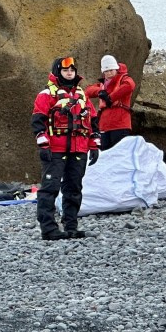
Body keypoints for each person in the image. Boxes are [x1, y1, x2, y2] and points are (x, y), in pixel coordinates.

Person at [31, 56, 100, 240]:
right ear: (57, 72)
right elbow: (38, 121)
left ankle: (71, 226)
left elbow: (92, 121)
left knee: (74, 188)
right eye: (65, 70)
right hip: (55, 150)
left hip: (79, 149)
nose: (69, 73)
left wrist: (94, 145)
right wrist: (43, 144)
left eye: (72, 70)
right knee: (50, 188)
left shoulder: (82, 95)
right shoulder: (46, 95)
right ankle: (48, 229)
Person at [84, 55, 135, 150]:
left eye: (111, 70)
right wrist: (100, 92)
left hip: (120, 125)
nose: (109, 73)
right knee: (104, 155)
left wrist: (110, 98)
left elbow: (130, 85)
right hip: (104, 126)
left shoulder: (124, 80)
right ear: (103, 72)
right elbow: (87, 91)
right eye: (106, 71)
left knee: (119, 154)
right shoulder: (103, 84)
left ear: (116, 69)